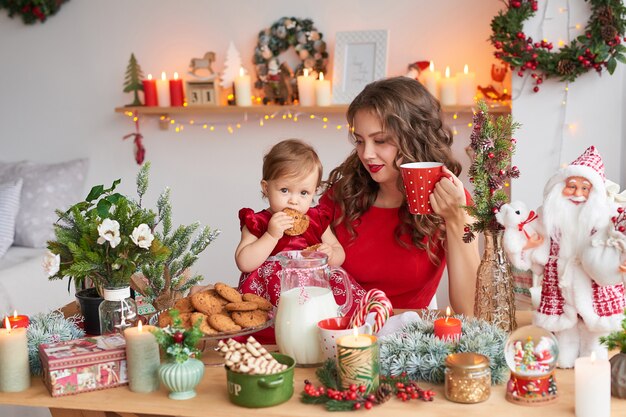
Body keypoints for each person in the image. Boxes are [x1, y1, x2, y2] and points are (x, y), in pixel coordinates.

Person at [319, 76, 480, 315]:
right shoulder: (342, 196)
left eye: (381, 140)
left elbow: (470, 310)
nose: (367, 154)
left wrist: (456, 218)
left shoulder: (451, 199)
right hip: (344, 334)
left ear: (415, 139)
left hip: (410, 341)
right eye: (360, 141)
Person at [520, 146, 625, 368]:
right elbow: (531, 242)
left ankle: (593, 353)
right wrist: (529, 246)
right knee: (564, 328)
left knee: (594, 331)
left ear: (594, 192)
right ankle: (565, 349)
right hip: (560, 285)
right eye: (572, 187)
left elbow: (619, 243)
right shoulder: (550, 219)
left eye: (585, 188)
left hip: (594, 283)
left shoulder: (606, 220)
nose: (578, 194)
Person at [236, 138, 363, 308]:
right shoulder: (257, 222)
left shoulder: (316, 219)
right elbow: (244, 263)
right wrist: (271, 235)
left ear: (314, 191)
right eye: (284, 190)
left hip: (313, 284)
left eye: (303, 192)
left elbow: (340, 253)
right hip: (273, 290)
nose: (293, 201)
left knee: (340, 303)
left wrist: (330, 254)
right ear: (266, 188)